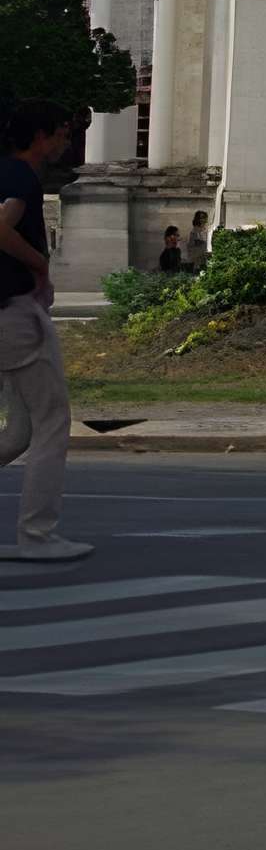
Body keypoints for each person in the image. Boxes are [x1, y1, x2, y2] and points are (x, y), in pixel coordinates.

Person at [0, 100, 92, 562]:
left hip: (8, 315)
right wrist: (40, 266)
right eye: (60, 133)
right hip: (15, 315)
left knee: (19, 431)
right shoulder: (20, 178)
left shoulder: (5, 172)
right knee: (53, 422)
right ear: (40, 136)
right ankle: (37, 535)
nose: (65, 143)